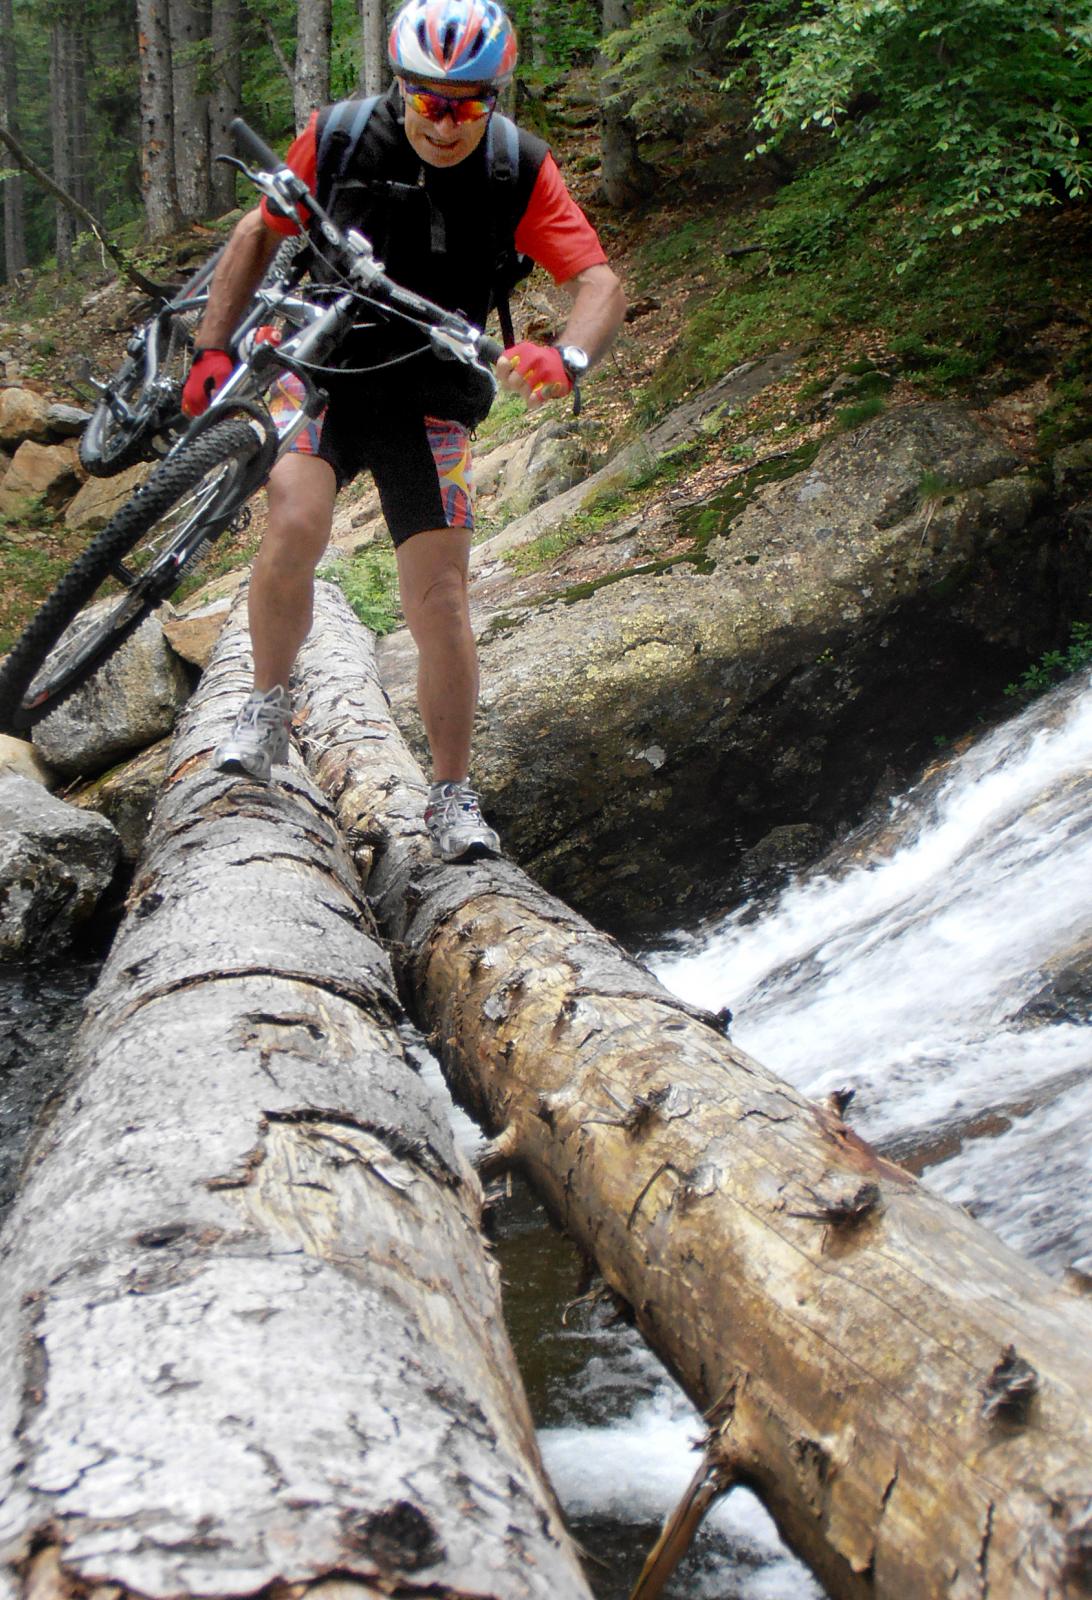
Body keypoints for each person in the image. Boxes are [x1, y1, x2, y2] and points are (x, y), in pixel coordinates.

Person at [182, 0, 626, 863]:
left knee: (440, 599)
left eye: (468, 102)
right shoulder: (341, 134)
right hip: (322, 368)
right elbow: (252, 232)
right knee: (294, 527)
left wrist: (567, 355)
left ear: (494, 97)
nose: (448, 121)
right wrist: (209, 352)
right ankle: (265, 710)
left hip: (430, 395)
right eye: (429, 100)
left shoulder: (517, 168)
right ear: (401, 89)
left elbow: (601, 284)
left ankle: (453, 797)